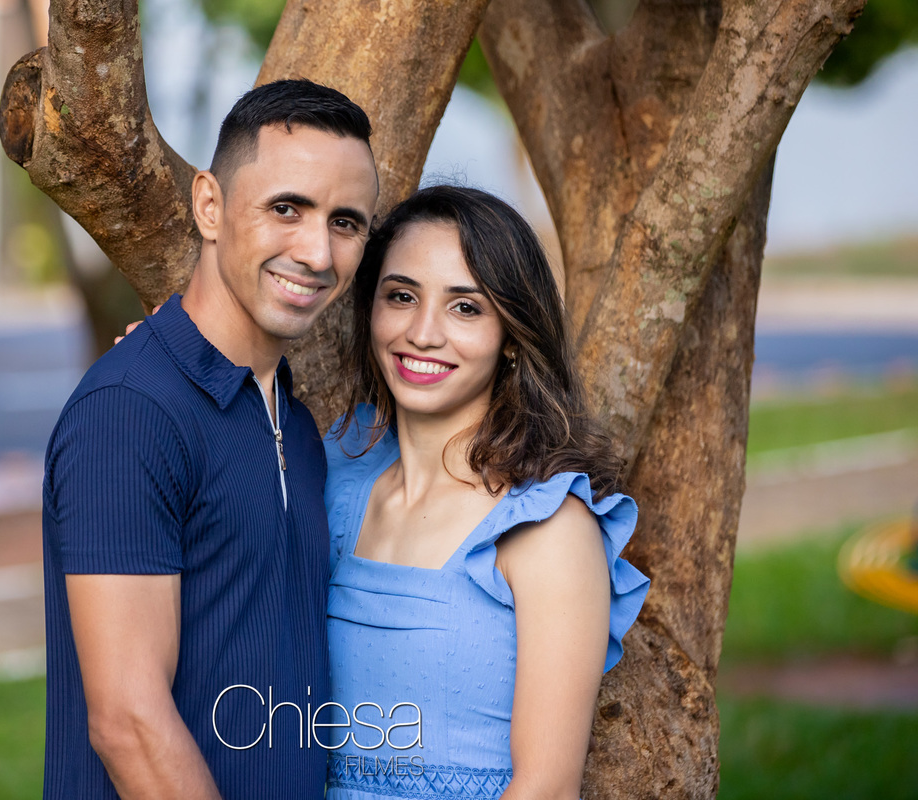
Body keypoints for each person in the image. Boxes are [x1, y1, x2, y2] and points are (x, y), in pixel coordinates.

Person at [40, 79, 379, 800]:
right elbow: (128, 723)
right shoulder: (131, 412)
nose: (317, 251)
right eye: (286, 208)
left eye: (345, 222)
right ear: (209, 206)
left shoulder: (292, 423)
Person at [320, 185, 650, 798]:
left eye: (465, 308)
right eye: (402, 296)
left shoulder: (546, 527)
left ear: (513, 335)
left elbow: (546, 788)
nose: (423, 333)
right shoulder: (336, 478)